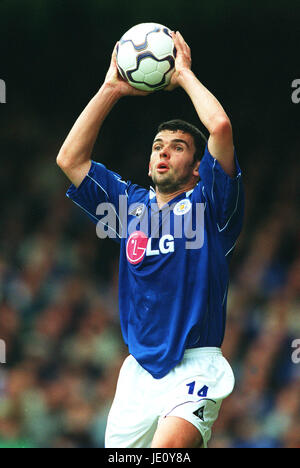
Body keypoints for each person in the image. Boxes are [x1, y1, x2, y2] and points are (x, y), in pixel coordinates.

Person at [57, 31, 244, 448]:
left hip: (195, 366)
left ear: (198, 168)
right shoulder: (127, 206)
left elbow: (220, 126)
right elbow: (70, 158)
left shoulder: (210, 203)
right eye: (158, 146)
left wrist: (184, 75)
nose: (163, 152)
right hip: (138, 373)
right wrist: (110, 88)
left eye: (178, 148)